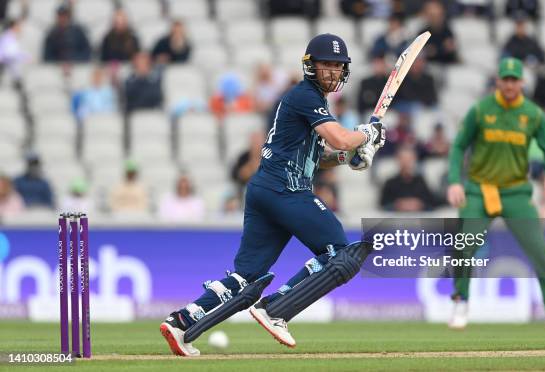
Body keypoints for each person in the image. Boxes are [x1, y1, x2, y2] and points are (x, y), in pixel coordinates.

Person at [160, 33, 385, 356]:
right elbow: (339, 138)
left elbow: (320, 154)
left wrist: (348, 156)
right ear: (311, 66)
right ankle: (277, 308)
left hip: (265, 189)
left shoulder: (311, 100)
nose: (333, 72)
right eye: (326, 65)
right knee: (342, 253)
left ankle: (181, 322)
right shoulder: (305, 95)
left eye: (338, 66)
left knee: (246, 280)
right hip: (285, 189)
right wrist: (366, 134)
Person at [446, 58, 545, 332]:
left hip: (515, 191)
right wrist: (454, 181)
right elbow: (458, 147)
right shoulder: (481, 110)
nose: (510, 84)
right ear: (498, 81)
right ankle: (460, 302)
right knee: (464, 247)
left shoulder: (534, 114)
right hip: (480, 189)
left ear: (522, 82)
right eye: (506, 79)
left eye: (515, 79)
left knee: (541, 252)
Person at [379, 145, 441, 211]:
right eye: (403, 159)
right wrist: (397, 205)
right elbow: (383, 205)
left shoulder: (420, 181)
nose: (406, 162)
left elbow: (432, 204)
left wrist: (420, 204)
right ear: (398, 160)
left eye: (409, 159)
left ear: (414, 160)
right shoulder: (390, 183)